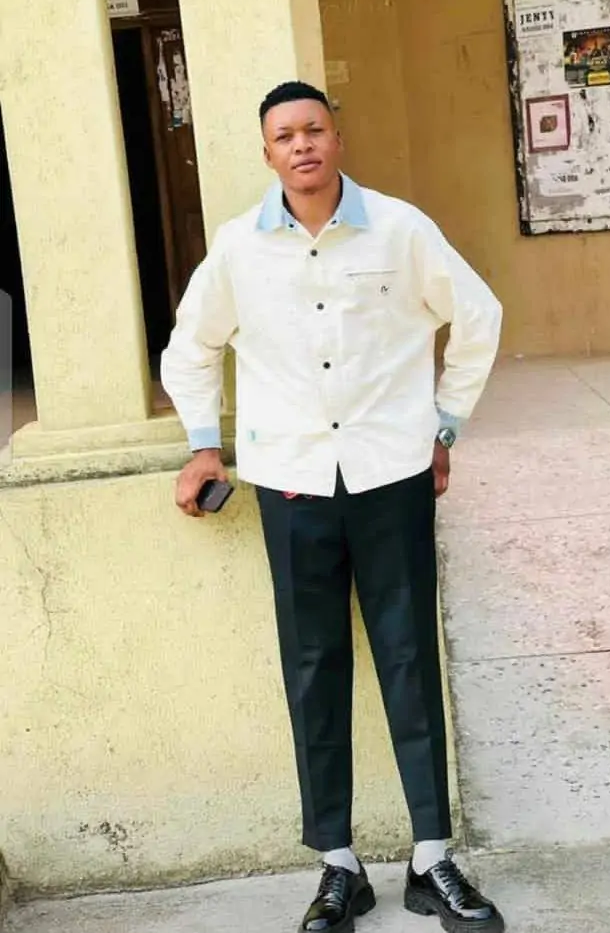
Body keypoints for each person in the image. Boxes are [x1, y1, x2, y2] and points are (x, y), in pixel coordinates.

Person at [161, 80, 504, 933]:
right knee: (312, 665)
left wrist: (444, 424)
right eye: (284, 135)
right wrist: (204, 444)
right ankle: (338, 866)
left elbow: (478, 316)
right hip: (292, 483)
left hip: (390, 475)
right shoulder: (239, 247)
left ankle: (431, 858)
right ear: (267, 153)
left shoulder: (400, 228)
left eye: (313, 129)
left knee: (407, 656)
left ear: (337, 139)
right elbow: (190, 347)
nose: (302, 145)